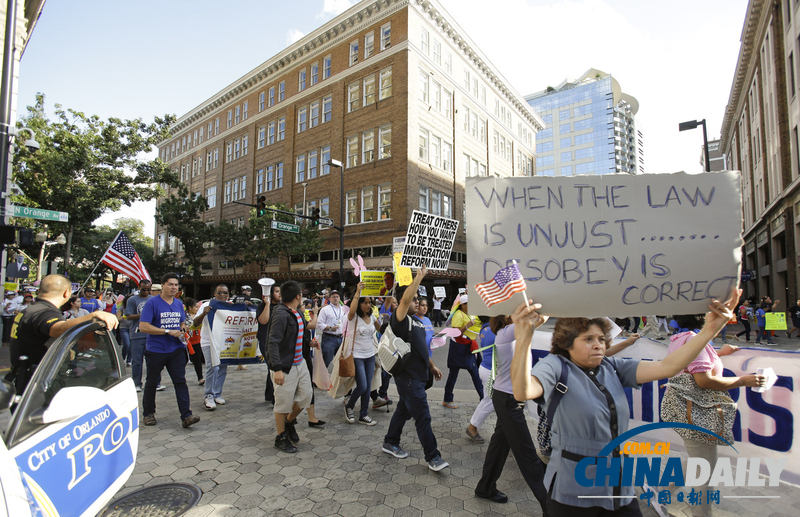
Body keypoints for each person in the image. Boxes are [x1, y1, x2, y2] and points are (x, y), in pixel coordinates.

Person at [509, 288, 751, 516]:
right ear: (567, 344)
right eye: (588, 339)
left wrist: (710, 330)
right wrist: (524, 338)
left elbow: (669, 366)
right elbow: (522, 391)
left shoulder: (611, 367)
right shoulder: (555, 366)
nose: (598, 344)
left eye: (601, 339)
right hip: (573, 488)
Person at [660, 313, 764, 517]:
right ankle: (700, 512)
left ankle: (662, 491)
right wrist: (743, 381)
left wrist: (719, 354)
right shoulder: (692, 339)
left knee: (699, 459)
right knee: (705, 468)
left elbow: (693, 361)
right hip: (694, 411)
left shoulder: (685, 337)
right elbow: (704, 381)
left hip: (687, 410)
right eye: (711, 312)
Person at [474, 314, 548, 510]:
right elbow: (538, 318)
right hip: (509, 401)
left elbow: (539, 320)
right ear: (506, 316)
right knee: (528, 455)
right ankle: (552, 507)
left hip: (508, 398)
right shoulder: (507, 332)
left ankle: (485, 487)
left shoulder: (511, 330)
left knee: (499, 446)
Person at [381, 265, 449, 472]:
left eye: (419, 299)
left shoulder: (417, 322)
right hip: (408, 378)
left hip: (419, 376)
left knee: (403, 410)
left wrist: (433, 366)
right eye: (414, 299)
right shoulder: (399, 320)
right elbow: (404, 300)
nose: (418, 302)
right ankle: (433, 456)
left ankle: (390, 441)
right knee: (423, 416)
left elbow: (421, 348)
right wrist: (417, 278)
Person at [8, 274, 118, 393]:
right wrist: (92, 316)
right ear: (67, 293)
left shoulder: (30, 310)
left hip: (24, 379)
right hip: (37, 385)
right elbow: (58, 329)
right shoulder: (44, 312)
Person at [138, 273, 199, 428]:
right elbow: (143, 326)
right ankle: (148, 414)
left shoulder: (178, 303)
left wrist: (182, 328)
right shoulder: (152, 303)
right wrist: (166, 331)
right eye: (170, 284)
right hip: (156, 350)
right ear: (162, 285)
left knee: (180, 382)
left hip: (176, 349)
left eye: (176, 285)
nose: (174, 287)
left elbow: (182, 321)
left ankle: (186, 415)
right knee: (151, 382)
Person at [268, 281, 314, 453]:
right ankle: (280, 437)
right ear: (298, 296)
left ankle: (289, 422)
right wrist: (277, 369)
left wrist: (309, 343)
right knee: (282, 403)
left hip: (299, 362)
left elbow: (296, 338)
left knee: (306, 397)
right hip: (284, 366)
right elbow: (273, 342)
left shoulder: (297, 313)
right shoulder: (281, 314)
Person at [343, 281, 381, 426]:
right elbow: (352, 310)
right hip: (357, 356)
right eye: (364, 302)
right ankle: (349, 405)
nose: (367, 305)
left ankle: (363, 414)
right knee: (362, 386)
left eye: (369, 302)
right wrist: (358, 291)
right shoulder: (353, 317)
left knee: (368, 386)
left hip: (370, 355)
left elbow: (381, 329)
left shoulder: (372, 317)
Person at [194, 284, 231, 410]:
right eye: (219, 292)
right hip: (208, 341)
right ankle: (208, 395)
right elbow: (195, 323)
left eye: (225, 293)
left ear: (228, 295)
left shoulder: (230, 306)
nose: (222, 295)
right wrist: (204, 314)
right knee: (212, 367)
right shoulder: (206, 305)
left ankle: (217, 393)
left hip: (224, 342)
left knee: (222, 368)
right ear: (214, 294)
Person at [442, 295, 483, 409]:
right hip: (459, 347)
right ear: (463, 305)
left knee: (475, 373)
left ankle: (484, 399)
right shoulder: (458, 315)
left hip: (470, 346)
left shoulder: (471, 315)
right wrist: (467, 326)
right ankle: (447, 398)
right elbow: (456, 333)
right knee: (454, 373)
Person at [126, 281, 164, 392]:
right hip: (137, 334)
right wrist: (142, 315)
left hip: (152, 334)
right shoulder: (132, 300)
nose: (146, 292)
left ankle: (156, 383)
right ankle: (137, 383)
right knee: (137, 361)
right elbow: (128, 316)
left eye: (148, 289)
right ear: (139, 288)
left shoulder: (153, 299)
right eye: (144, 289)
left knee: (153, 361)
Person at [466, 318, 494, 444]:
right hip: (490, 371)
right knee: (489, 401)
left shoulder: (486, 328)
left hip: (488, 369)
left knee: (491, 400)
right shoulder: (492, 330)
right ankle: (472, 427)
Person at [259, 283, 281, 404]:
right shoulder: (262, 306)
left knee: (271, 367)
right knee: (272, 367)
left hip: (276, 341)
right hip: (265, 341)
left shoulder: (282, 307)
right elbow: (263, 320)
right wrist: (267, 304)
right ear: (271, 293)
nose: (280, 294)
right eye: (277, 291)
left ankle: (269, 394)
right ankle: (274, 397)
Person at [317, 290, 345, 367]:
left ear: (340, 298)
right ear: (329, 298)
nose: (335, 298)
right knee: (326, 361)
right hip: (329, 338)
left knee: (341, 362)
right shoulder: (325, 309)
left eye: (337, 297)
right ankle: (321, 378)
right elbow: (319, 324)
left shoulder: (343, 309)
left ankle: (337, 378)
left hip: (341, 338)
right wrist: (330, 328)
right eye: (333, 297)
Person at [184, 298, 204, 385]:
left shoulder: (198, 315)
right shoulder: (184, 316)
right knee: (183, 359)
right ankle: (182, 376)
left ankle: (200, 377)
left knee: (197, 360)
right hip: (186, 340)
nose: (197, 309)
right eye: (196, 307)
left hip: (197, 339)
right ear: (190, 307)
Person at [117, 295, 133, 365]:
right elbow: (118, 319)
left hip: (132, 328)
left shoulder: (134, 308)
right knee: (127, 344)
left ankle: (129, 360)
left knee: (131, 345)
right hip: (123, 328)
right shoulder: (122, 308)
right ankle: (123, 358)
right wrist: (123, 317)